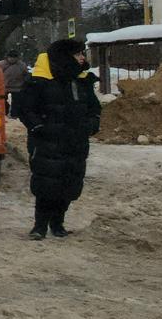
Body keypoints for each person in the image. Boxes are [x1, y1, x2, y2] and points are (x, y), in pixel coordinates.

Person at [10, 38, 101, 239]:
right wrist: (39, 127)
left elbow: (94, 109)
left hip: (75, 141)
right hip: (47, 141)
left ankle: (58, 224)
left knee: (70, 183)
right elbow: (25, 109)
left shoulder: (82, 80)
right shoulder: (40, 80)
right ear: (65, 56)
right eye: (78, 54)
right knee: (46, 184)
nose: (82, 58)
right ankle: (40, 227)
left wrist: (91, 125)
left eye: (81, 53)